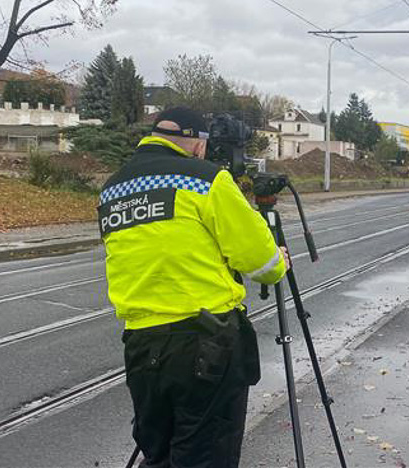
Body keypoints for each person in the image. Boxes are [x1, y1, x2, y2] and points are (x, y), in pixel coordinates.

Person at [98, 106, 288, 468]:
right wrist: (279, 261)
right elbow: (261, 262)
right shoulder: (206, 179)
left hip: (141, 346)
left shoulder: (113, 189)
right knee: (205, 457)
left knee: (160, 455)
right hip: (206, 342)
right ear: (197, 144)